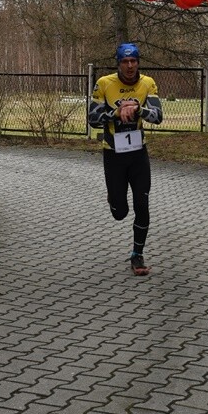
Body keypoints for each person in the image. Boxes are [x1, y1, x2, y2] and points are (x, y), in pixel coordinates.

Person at [87, 43, 164, 276]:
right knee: (120, 212)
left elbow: (158, 117)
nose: (130, 66)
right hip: (113, 154)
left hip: (138, 154)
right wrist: (115, 113)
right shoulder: (104, 83)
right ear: (118, 63)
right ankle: (114, 197)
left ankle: (137, 255)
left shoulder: (147, 83)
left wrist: (139, 110)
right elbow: (92, 118)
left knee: (142, 204)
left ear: (138, 62)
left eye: (134, 61)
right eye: (125, 62)